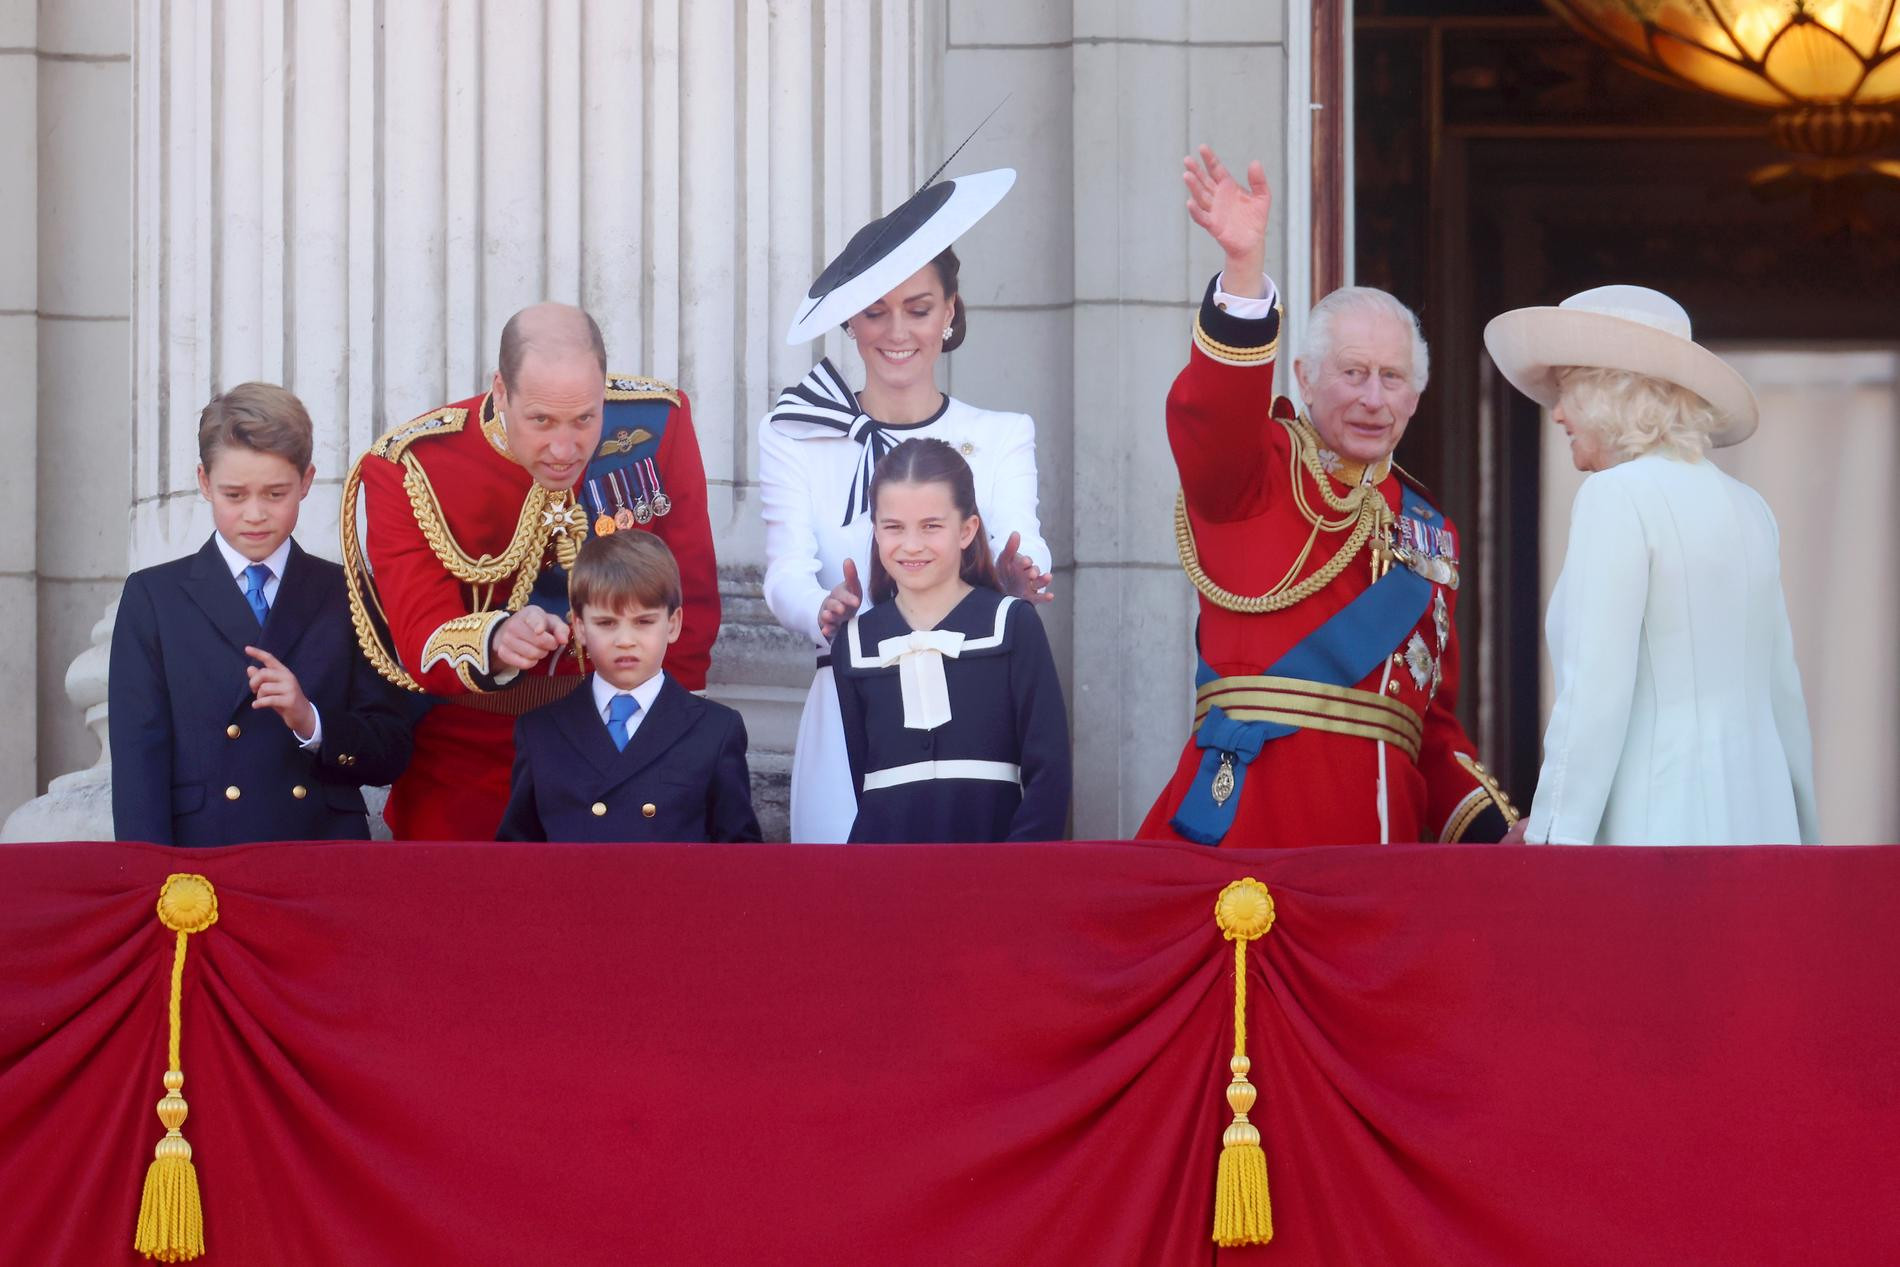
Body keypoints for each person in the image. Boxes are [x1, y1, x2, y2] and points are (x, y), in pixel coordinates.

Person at [1136, 146, 1516, 847]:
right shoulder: (1258, 469)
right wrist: (1244, 271)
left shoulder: (1432, 533)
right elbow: (1212, 413)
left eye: (1393, 378)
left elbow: (1428, 727)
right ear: (1305, 378)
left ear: (1417, 395)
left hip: (1383, 853)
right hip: (1251, 831)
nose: (1374, 398)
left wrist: (1501, 832)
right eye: (1353, 373)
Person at [344, 303, 720, 841]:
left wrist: (673, 734)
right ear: (501, 392)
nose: (565, 450)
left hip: (621, 734)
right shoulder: (411, 465)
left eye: (585, 419)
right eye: (541, 420)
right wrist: (495, 640)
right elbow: (419, 637)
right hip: (475, 752)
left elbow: (691, 597)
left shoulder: (657, 424)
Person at [761, 166, 1053, 843]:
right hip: (849, 701)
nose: (897, 331)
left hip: (975, 701)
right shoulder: (798, 431)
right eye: (874, 310)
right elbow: (783, 572)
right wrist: (822, 609)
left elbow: (1022, 537)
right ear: (849, 321)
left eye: (918, 308)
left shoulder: (1001, 433)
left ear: (950, 313)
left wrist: (1014, 577)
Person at [1484, 286, 1820, 845]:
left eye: (1567, 390)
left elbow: (1594, 695)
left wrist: (1550, 841)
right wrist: (1808, 841)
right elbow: (1785, 698)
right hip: (1762, 834)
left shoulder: (1617, 497)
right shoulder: (1750, 509)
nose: (1558, 413)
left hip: (1658, 838)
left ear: (1607, 394)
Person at [110, 383, 415, 845]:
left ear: (306, 481)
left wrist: (310, 720)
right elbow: (138, 765)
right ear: (204, 482)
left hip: (320, 855)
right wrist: (149, 883)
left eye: (275, 494)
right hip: (203, 860)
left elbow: (392, 747)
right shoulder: (154, 597)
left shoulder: (349, 592)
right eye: (234, 495)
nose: (255, 514)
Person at [831, 439, 1069, 842]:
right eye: (894, 527)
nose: (911, 544)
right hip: (885, 877)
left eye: (931, 526)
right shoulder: (854, 643)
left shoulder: (1012, 625)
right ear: (875, 531)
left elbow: (1050, 776)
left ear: (966, 530)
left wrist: (1017, 875)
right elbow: (863, 778)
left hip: (994, 874)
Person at [496, 532, 760, 843]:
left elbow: (740, 859)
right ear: (579, 627)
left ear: (673, 624)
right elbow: (516, 858)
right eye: (606, 623)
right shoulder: (540, 731)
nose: (625, 640)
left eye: (644, 622)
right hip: (571, 891)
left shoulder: (716, 730)